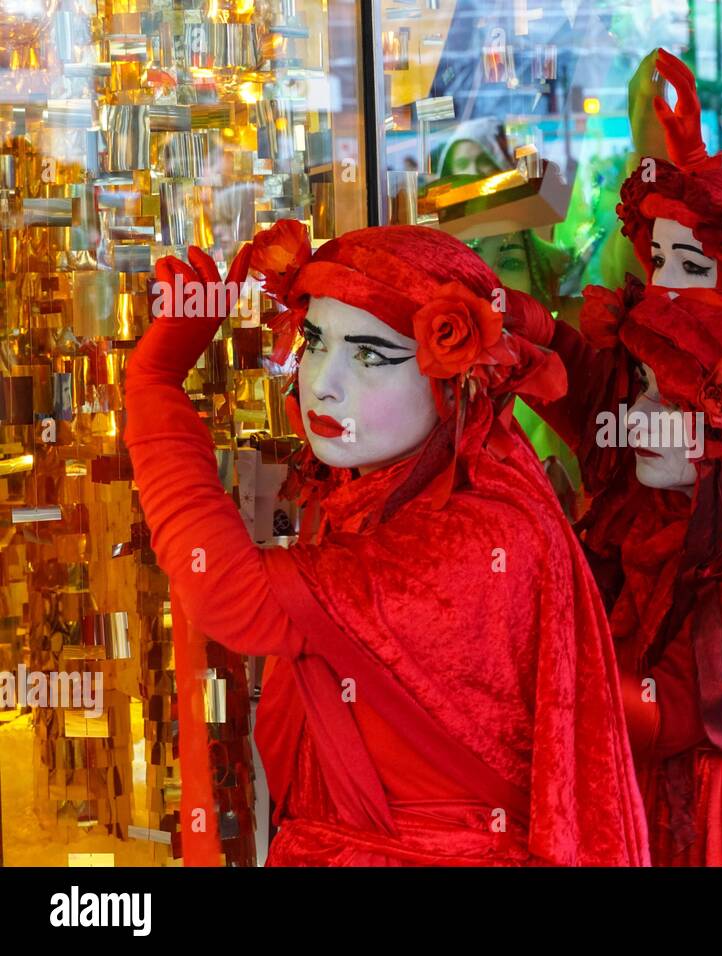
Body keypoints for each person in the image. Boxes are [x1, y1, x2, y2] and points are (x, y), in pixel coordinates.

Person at [124, 222, 649, 866]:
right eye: (314, 342)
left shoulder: (480, 532)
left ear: (453, 376)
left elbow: (231, 597)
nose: (323, 383)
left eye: (370, 355)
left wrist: (153, 386)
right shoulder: (383, 492)